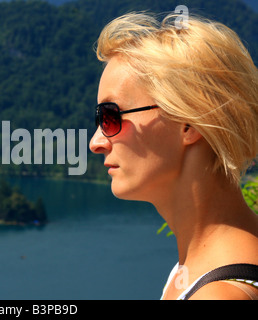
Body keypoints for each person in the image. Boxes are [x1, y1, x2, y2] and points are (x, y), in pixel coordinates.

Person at [89, 12, 258, 300]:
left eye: (111, 116)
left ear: (188, 123)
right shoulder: (199, 269)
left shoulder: (218, 295)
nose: (96, 142)